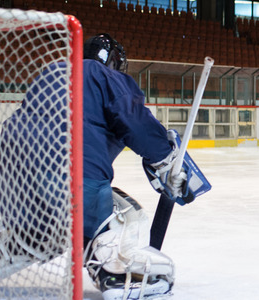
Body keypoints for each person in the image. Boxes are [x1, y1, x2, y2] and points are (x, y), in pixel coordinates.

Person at [80, 33, 186, 299]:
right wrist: (165, 158)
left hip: (15, 179)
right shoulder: (104, 76)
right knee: (125, 212)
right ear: (115, 61)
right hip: (71, 178)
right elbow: (135, 122)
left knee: (41, 227)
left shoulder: (53, 73)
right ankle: (116, 275)